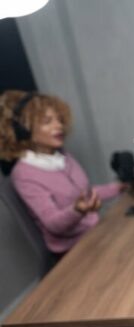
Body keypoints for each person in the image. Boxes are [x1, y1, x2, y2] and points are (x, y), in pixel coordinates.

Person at [0, 90, 123, 257]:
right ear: (25, 131)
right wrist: (78, 211)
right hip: (72, 251)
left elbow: (86, 194)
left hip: (94, 233)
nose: (59, 125)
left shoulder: (62, 156)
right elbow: (53, 223)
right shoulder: (23, 174)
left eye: (59, 119)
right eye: (47, 121)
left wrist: (121, 187)